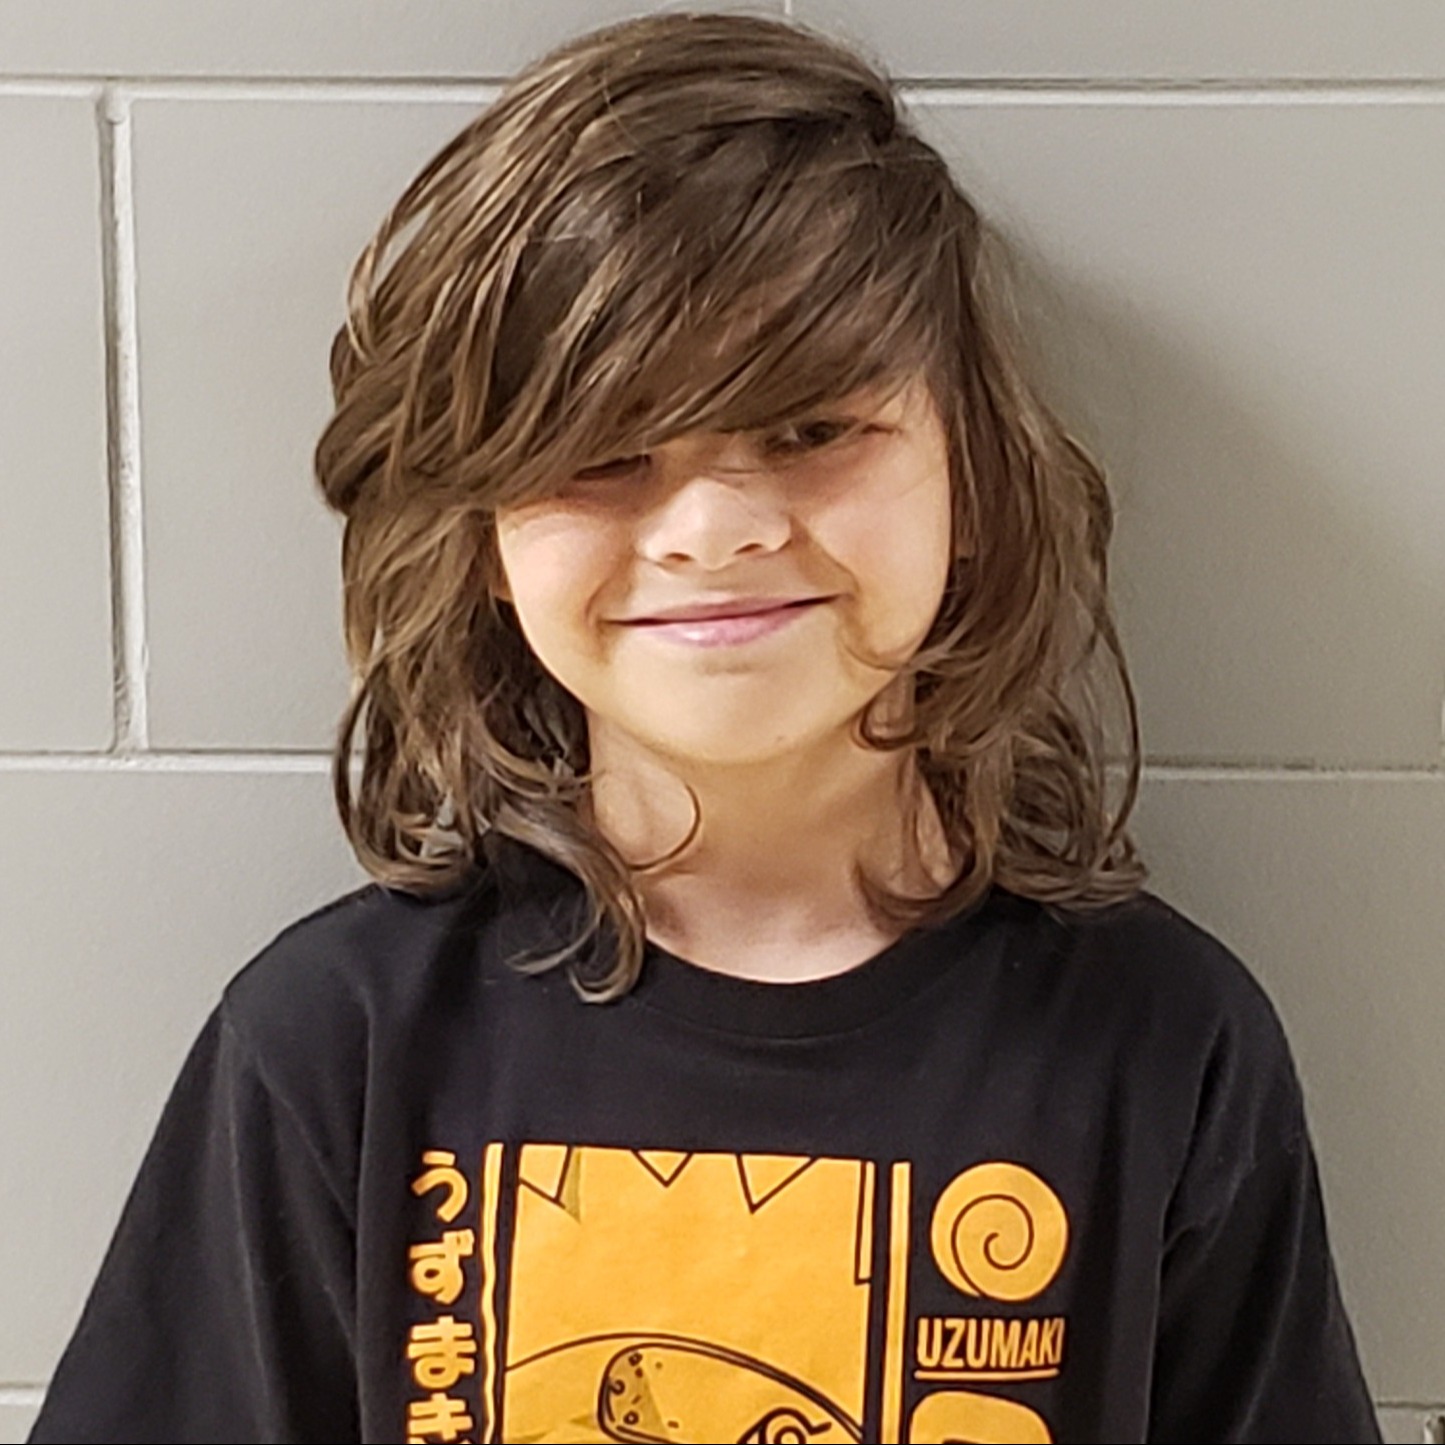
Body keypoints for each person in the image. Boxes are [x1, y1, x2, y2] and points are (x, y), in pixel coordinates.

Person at [30, 10, 1381, 1444]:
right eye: (607, 454)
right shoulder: (330, 1048)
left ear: (972, 472)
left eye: (808, 431)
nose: (713, 530)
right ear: (486, 531)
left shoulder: (1163, 1041)